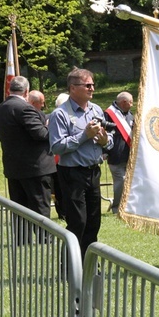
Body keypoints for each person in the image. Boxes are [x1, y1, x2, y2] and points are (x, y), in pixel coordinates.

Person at [49, 69, 110, 257]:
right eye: (87, 85)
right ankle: (69, 267)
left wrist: (104, 141)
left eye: (92, 84)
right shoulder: (60, 114)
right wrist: (84, 136)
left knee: (94, 222)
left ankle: (89, 264)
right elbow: (57, 146)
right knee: (78, 222)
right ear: (73, 88)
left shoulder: (96, 110)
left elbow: (108, 140)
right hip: (72, 174)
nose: (92, 88)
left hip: (93, 172)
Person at [0, 77, 56, 225]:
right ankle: (44, 241)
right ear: (27, 91)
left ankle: (21, 241)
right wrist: (51, 127)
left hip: (14, 167)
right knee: (40, 207)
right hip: (35, 168)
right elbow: (41, 134)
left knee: (19, 209)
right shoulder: (25, 108)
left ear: (10, 89)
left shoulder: (1, 107)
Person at [103, 92, 134, 214]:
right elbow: (103, 133)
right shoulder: (108, 114)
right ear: (123, 102)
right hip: (115, 156)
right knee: (120, 181)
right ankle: (117, 208)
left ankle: (127, 207)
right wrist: (104, 151)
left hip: (129, 156)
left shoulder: (130, 115)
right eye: (130, 102)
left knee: (129, 182)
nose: (132, 105)